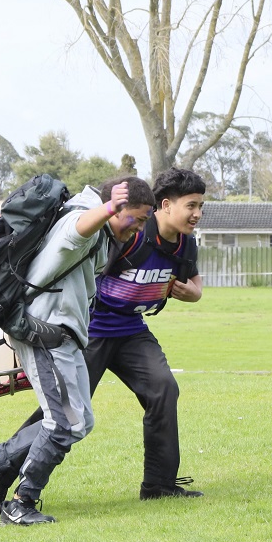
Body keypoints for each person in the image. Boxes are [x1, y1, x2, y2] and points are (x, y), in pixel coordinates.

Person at [0, 176, 154, 526]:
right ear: (116, 207)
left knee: (81, 422)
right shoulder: (82, 223)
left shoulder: (95, 228)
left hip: (64, 334)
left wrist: (113, 213)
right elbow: (77, 231)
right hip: (43, 331)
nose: (138, 229)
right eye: (137, 219)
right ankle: (20, 504)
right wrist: (109, 209)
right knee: (64, 422)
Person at [83, 167, 207, 499]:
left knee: (163, 389)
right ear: (165, 205)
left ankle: (159, 485)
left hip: (132, 331)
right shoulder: (132, 229)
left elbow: (195, 283)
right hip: (90, 331)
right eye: (191, 206)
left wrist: (195, 293)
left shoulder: (185, 245)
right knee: (66, 410)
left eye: (200, 207)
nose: (197, 214)